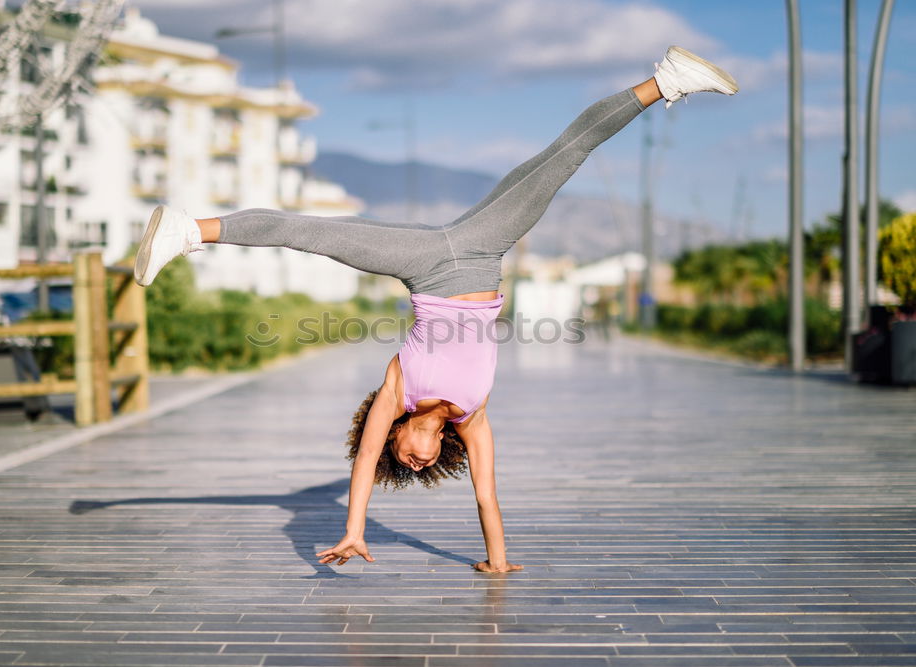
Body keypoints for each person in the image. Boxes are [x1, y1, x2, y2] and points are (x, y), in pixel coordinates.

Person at [134, 46, 739, 573]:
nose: (418, 460)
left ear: (395, 433)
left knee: (311, 231)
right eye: (425, 464)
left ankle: (189, 229)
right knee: (561, 157)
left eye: (407, 458)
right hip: (481, 248)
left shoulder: (396, 392)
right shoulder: (471, 419)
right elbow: (486, 497)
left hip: (426, 265)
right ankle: (665, 79)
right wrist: (497, 561)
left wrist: (354, 530)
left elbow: (364, 462)